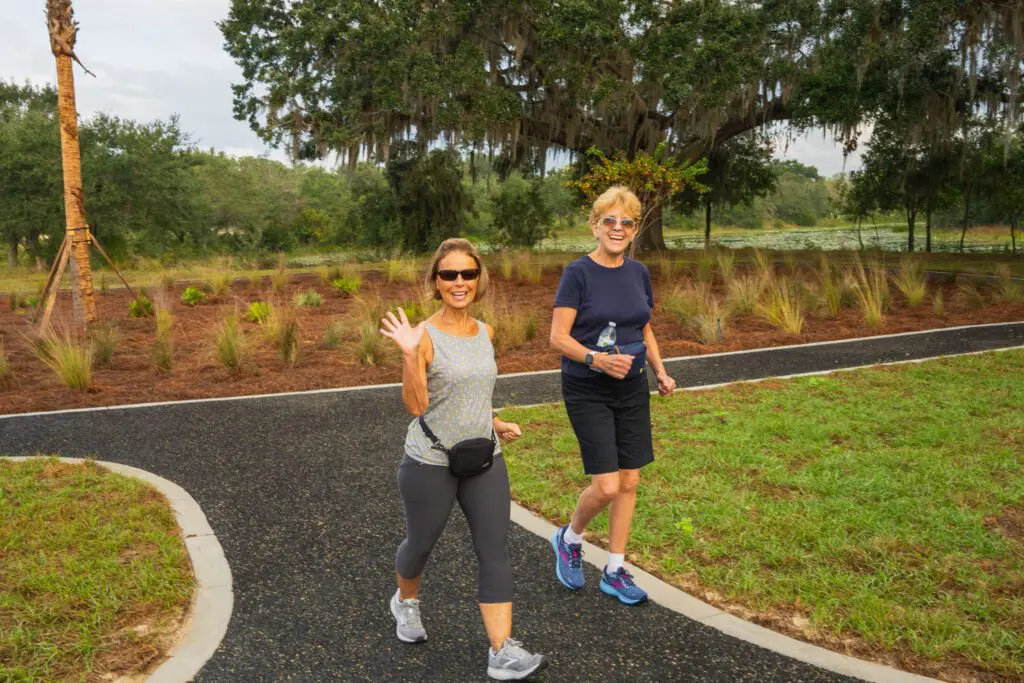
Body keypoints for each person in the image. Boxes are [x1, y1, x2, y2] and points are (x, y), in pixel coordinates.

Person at [379, 238, 548, 681]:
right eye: (449, 274)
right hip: (430, 461)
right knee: (420, 544)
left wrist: (494, 421)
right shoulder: (423, 336)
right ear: (436, 281)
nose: (459, 282)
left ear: (478, 279)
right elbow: (416, 405)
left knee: (494, 550)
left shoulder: (486, 332)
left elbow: (474, 391)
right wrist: (409, 354)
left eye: (468, 273)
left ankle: (501, 651)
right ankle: (405, 601)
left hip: (484, 458)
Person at [548, 185, 676, 605]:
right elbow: (558, 337)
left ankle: (615, 570)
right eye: (610, 220)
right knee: (606, 487)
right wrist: (596, 360)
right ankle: (569, 538)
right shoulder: (578, 273)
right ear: (595, 226)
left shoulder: (638, 273)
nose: (618, 228)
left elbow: (644, 327)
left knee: (630, 480)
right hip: (588, 387)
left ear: (634, 230)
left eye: (627, 222)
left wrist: (660, 371)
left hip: (633, 386)